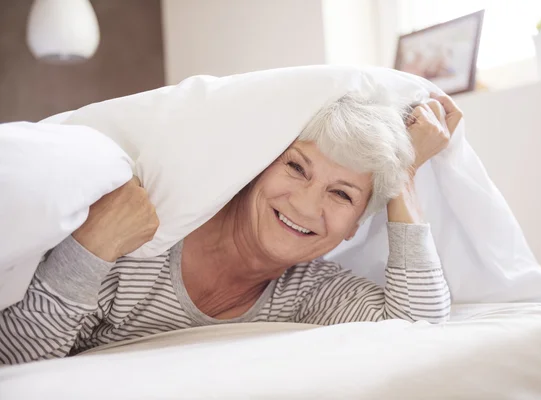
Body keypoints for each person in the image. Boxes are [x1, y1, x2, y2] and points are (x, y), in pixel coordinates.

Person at [0, 92, 463, 365]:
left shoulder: (309, 293)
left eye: (342, 194)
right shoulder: (146, 235)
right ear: (257, 169)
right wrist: (93, 246)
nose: (304, 204)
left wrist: (403, 174)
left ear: (353, 227)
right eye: (297, 168)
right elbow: (17, 357)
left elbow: (418, 327)